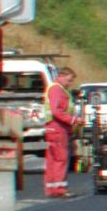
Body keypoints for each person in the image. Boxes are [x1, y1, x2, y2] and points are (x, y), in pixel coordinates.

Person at [44, 67, 78, 198]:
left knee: (52, 159)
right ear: (62, 76)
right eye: (69, 80)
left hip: (53, 128)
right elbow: (56, 110)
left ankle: (52, 188)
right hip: (58, 129)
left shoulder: (54, 88)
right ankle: (59, 188)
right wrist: (72, 120)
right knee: (61, 159)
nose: (70, 84)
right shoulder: (57, 89)